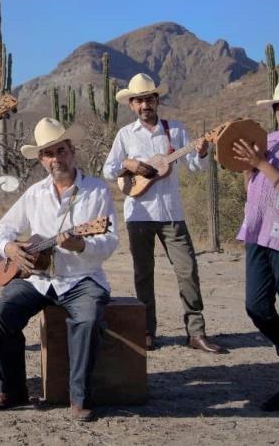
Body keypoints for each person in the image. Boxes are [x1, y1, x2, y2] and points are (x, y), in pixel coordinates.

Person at [0, 117, 117, 422]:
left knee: (87, 318)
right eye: (48, 153)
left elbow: (109, 241)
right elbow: (4, 229)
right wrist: (11, 249)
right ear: (42, 159)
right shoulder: (34, 193)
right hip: (39, 279)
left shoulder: (96, 191)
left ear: (72, 151)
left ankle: (79, 398)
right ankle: (12, 391)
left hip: (81, 278)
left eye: (61, 150)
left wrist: (81, 246)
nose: (56, 158)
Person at [102, 73, 226, 353]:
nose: (145, 104)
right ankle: (146, 330)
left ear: (157, 100)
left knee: (187, 270)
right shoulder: (125, 135)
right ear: (132, 105)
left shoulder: (177, 130)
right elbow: (109, 170)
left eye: (149, 98)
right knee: (144, 274)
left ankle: (196, 332)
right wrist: (130, 164)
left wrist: (203, 151)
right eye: (139, 100)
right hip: (139, 213)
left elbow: (195, 166)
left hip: (172, 212)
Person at [233, 74, 279, 411]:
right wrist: (250, 169)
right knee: (256, 306)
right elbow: (255, 189)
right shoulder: (269, 140)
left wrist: (260, 163)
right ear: (275, 113)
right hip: (257, 231)